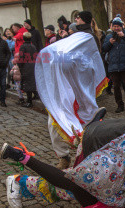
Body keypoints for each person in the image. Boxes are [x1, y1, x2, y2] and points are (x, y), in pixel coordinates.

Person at [36, 32, 108, 170]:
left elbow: (90, 75)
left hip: (82, 97)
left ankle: (89, 154)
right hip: (63, 95)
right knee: (54, 123)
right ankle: (63, 157)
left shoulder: (86, 55)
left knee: (89, 124)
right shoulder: (62, 52)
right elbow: (49, 57)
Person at [102, 17, 125, 113]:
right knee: (116, 87)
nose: (116, 28)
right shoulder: (109, 36)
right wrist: (110, 43)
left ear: (122, 26)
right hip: (113, 66)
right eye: (114, 26)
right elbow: (104, 48)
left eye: (118, 26)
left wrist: (124, 37)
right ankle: (120, 105)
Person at [18, 32, 37, 108]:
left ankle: (29, 101)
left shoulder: (23, 47)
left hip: (26, 66)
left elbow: (21, 58)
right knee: (32, 82)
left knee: (27, 83)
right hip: (33, 65)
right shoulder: (33, 46)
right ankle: (34, 96)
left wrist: (20, 66)